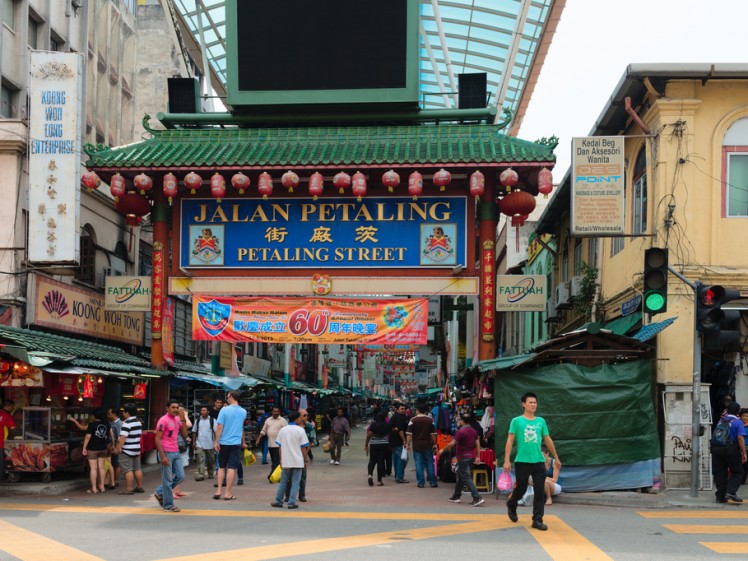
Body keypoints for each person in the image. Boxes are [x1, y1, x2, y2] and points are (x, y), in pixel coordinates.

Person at [503, 392, 561, 531]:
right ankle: (512, 503)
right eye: (530, 402)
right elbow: (510, 440)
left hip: (538, 461)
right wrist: (506, 460)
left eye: (535, 402)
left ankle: (537, 520)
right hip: (522, 461)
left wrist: (556, 458)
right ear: (523, 404)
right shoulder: (516, 421)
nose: (533, 405)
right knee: (521, 489)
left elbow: (547, 439)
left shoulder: (540, 421)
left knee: (540, 491)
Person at [437, 413, 484, 507]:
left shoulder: (461, 432)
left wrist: (442, 449)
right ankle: (456, 496)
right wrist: (478, 456)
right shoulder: (474, 431)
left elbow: (452, 443)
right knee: (462, 476)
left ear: (462, 421)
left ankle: (477, 497)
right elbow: (477, 444)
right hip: (470, 457)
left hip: (463, 457)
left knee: (465, 477)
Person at [154, 399, 188, 512]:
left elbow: (184, 434)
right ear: (167, 408)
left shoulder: (178, 419)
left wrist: (183, 419)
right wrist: (162, 456)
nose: (175, 410)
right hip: (166, 452)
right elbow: (157, 439)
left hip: (176, 451)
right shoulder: (163, 420)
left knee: (181, 476)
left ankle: (159, 492)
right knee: (167, 480)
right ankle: (168, 505)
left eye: (177, 407)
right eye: (173, 407)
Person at [271, 411, 309, 509]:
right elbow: (303, 448)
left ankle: (278, 501)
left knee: (283, 482)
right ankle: (291, 502)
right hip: (298, 461)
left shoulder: (283, 430)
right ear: (297, 419)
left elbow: (279, 446)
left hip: (286, 460)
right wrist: (305, 460)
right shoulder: (300, 430)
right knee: (296, 482)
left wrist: (281, 460)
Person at [213, 390, 247, 501]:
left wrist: (216, 441)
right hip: (235, 443)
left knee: (222, 467)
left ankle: (218, 491)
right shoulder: (243, 412)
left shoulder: (224, 410)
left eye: (227, 397)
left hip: (224, 442)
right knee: (232, 467)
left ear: (231, 397)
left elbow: (219, 427)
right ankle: (228, 493)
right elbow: (240, 427)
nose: (227, 399)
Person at [711, 401, 747, 503]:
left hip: (717, 449)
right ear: (738, 412)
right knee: (738, 471)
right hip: (730, 450)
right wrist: (744, 452)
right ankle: (731, 491)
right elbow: (740, 437)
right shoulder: (737, 422)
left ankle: (720, 496)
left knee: (721, 473)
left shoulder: (721, 421)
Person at [406, 401, 438, 488]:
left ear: (418, 410)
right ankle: (433, 482)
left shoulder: (413, 420)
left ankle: (421, 483)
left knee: (418, 463)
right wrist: (434, 444)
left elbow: (409, 434)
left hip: (417, 446)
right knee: (429, 463)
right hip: (428, 445)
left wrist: (407, 444)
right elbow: (433, 435)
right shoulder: (430, 420)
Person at [82, 410, 113, 494]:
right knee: (102, 468)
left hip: (93, 449)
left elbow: (88, 437)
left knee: (93, 468)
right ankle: (102, 486)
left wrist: (84, 448)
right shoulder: (106, 424)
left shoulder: (92, 425)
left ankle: (94, 488)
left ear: (94, 416)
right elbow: (110, 435)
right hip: (103, 448)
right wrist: (112, 443)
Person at [116, 403, 144, 494]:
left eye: (124, 412)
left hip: (127, 450)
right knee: (137, 469)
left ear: (127, 413)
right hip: (136, 449)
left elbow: (123, 437)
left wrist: (119, 448)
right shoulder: (138, 422)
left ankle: (129, 489)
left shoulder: (127, 423)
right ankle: (140, 487)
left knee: (128, 470)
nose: (123, 414)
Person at [284, 409, 311, 503]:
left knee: (302, 477)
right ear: (298, 417)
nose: (306, 417)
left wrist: (305, 457)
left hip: (301, 456)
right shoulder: (290, 428)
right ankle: (288, 496)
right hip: (291, 456)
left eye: (307, 415)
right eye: (304, 415)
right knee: (289, 478)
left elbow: (309, 442)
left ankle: (301, 495)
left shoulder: (308, 427)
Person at [257, 406, 288, 480]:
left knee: (276, 461)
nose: (276, 413)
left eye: (277, 411)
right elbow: (264, 430)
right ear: (272, 412)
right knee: (274, 461)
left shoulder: (283, 420)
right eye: (275, 411)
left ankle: (271, 476)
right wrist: (259, 438)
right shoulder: (268, 420)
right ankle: (277, 476)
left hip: (279, 445)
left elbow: (287, 431)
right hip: (270, 445)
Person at [365, 413, 391, 486]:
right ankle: (379, 481)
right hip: (384, 444)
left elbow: (369, 435)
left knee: (372, 461)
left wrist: (366, 445)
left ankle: (370, 475)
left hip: (374, 444)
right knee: (381, 462)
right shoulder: (387, 425)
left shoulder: (373, 425)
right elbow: (389, 434)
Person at [192, 405, 216, 481]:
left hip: (210, 443)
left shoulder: (213, 420)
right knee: (200, 459)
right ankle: (201, 474)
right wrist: (194, 442)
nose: (202, 412)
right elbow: (194, 431)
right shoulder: (198, 420)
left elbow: (216, 432)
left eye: (204, 410)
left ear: (208, 411)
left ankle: (211, 473)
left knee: (211, 460)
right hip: (200, 443)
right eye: (202, 410)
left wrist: (216, 442)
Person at [389, 403, 409, 483]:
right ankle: (399, 477)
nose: (404, 410)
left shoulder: (394, 417)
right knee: (404, 459)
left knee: (397, 459)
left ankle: (397, 475)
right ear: (397, 409)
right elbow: (401, 431)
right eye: (402, 409)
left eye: (404, 409)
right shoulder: (399, 418)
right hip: (399, 441)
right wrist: (404, 441)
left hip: (393, 441)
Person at [0, 400, 17, 481]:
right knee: (1, 462)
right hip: (0, 442)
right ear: (8, 406)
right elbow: (13, 428)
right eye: (12, 407)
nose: (13, 408)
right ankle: (1, 477)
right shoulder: (6, 415)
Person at [105, 408, 122, 489]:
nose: (108, 414)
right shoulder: (111, 423)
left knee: (116, 464)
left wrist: (117, 448)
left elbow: (119, 437)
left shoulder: (119, 424)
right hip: (110, 447)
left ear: (114, 414)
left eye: (109, 413)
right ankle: (109, 480)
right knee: (110, 463)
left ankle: (116, 480)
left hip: (114, 447)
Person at [741, 408, 748, 486]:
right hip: (740, 448)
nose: (745, 418)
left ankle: (743, 480)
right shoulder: (739, 425)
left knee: (746, 465)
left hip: (747, 447)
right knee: (742, 464)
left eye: (747, 416)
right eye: (743, 416)